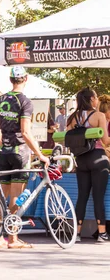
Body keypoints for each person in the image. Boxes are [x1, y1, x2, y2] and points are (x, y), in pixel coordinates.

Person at [0, 66, 49, 249]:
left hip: (4, 151)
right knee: (16, 195)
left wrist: (2, 143)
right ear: (26, 79)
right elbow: (25, 132)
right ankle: (13, 238)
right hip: (19, 151)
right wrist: (40, 154)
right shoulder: (25, 102)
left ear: (10, 80)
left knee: (1, 194)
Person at [67, 88, 110, 242]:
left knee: (82, 196)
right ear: (92, 99)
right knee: (98, 197)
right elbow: (105, 140)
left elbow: (68, 139)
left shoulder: (73, 117)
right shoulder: (99, 116)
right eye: (96, 97)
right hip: (98, 158)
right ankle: (102, 233)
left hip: (81, 160)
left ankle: (77, 233)